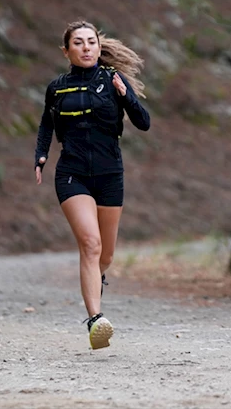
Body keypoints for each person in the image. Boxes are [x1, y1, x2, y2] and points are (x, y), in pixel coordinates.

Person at [34, 20, 150, 350]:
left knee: (106, 254)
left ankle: (95, 280)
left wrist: (126, 96)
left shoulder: (113, 80)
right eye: (79, 43)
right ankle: (96, 321)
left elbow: (144, 123)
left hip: (110, 174)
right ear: (66, 50)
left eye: (91, 42)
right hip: (72, 174)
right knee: (90, 243)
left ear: (100, 48)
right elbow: (46, 124)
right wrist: (41, 155)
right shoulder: (57, 88)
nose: (86, 47)